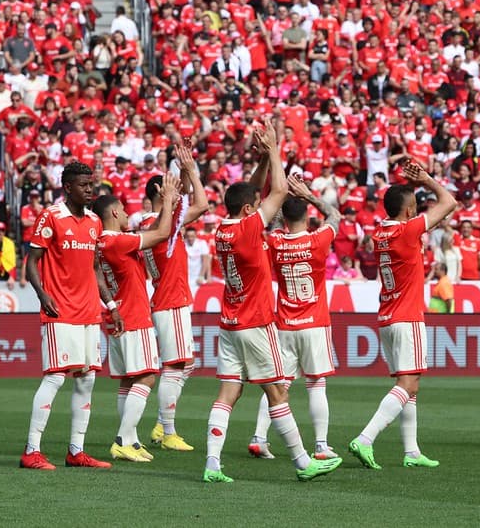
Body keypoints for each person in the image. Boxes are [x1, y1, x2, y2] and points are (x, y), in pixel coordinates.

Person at [203, 120, 342, 483]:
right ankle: (302, 460)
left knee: (228, 392)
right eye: (256, 204)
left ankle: (212, 464)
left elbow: (251, 192)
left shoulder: (223, 229)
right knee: (278, 390)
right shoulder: (250, 228)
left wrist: (262, 159)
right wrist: (276, 148)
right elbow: (279, 190)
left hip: (230, 323)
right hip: (255, 322)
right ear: (251, 210)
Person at [348, 158, 456, 470]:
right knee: (410, 384)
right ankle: (366, 438)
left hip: (386, 316)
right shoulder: (409, 230)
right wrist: (427, 179)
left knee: (407, 384)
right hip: (407, 316)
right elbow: (449, 202)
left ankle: (411, 451)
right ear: (409, 211)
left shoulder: (379, 231)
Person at [20, 161, 120, 470]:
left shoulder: (94, 222)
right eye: (84, 185)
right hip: (60, 311)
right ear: (67, 188)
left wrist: (111, 306)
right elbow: (31, 262)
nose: (90, 190)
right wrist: (42, 294)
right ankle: (31, 450)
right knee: (55, 378)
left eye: (92, 184)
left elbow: (94, 269)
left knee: (87, 379)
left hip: (89, 312)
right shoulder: (51, 217)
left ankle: (76, 451)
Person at [248, 173, 342, 461]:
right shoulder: (319, 239)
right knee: (316, 384)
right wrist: (308, 194)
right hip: (314, 322)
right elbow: (335, 214)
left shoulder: (276, 241)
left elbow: (274, 219)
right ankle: (321, 445)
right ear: (308, 215)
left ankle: (259, 438)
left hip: (285, 323)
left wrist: (286, 192)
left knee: (280, 385)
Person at [93, 173, 181, 463]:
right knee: (146, 377)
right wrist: (168, 200)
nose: (128, 214)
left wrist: (109, 303)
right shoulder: (117, 241)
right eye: (124, 210)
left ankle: (130, 440)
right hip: (134, 316)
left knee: (128, 382)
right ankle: (122, 439)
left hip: (118, 315)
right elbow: (162, 234)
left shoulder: (100, 243)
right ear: (115, 212)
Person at [141, 143, 209, 452]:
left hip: (169, 298)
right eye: (169, 185)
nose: (176, 189)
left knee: (186, 364)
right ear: (160, 190)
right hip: (171, 299)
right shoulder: (161, 223)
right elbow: (203, 205)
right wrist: (192, 172)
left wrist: (183, 172)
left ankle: (161, 422)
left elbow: (190, 208)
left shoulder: (148, 223)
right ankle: (167, 431)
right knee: (175, 365)